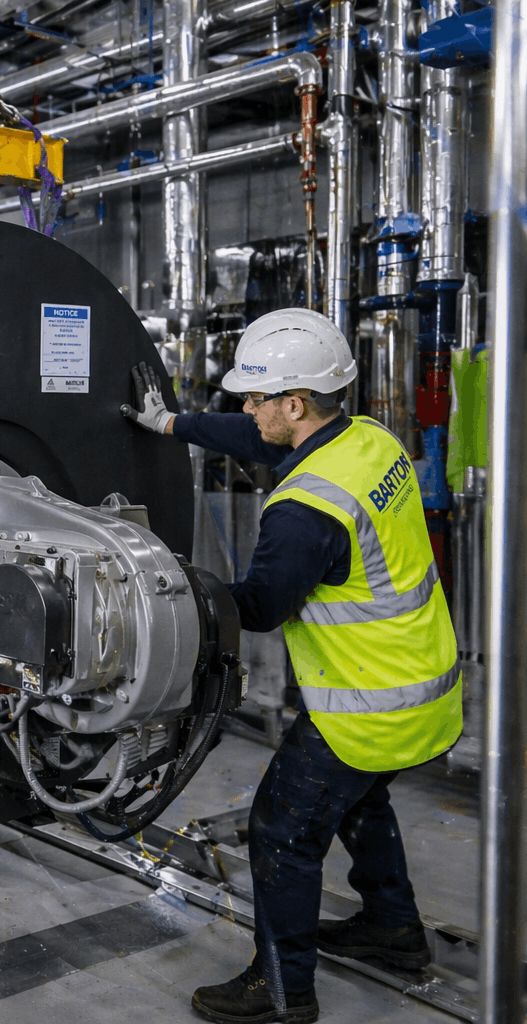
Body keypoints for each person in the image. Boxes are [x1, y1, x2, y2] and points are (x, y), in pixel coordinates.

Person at [121, 307, 461, 1024]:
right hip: (427, 689)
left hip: (368, 707)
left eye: (256, 395)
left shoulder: (305, 510)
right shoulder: (367, 441)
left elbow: (260, 606)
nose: (245, 408)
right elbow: (251, 435)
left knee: (281, 828)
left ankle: (282, 992)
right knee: (360, 800)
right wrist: (170, 425)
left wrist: (164, 586)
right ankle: (393, 931)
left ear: (296, 404)